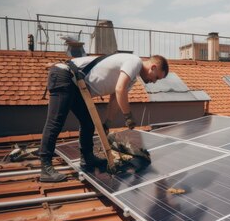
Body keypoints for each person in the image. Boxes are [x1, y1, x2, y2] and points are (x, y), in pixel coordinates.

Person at [39, 53, 169, 182]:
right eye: (156, 77)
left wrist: (107, 123)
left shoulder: (132, 77)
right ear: (153, 67)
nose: (154, 81)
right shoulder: (135, 61)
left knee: (88, 123)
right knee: (55, 122)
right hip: (65, 76)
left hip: (76, 86)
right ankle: (45, 167)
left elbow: (115, 98)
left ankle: (87, 158)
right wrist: (128, 116)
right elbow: (120, 89)